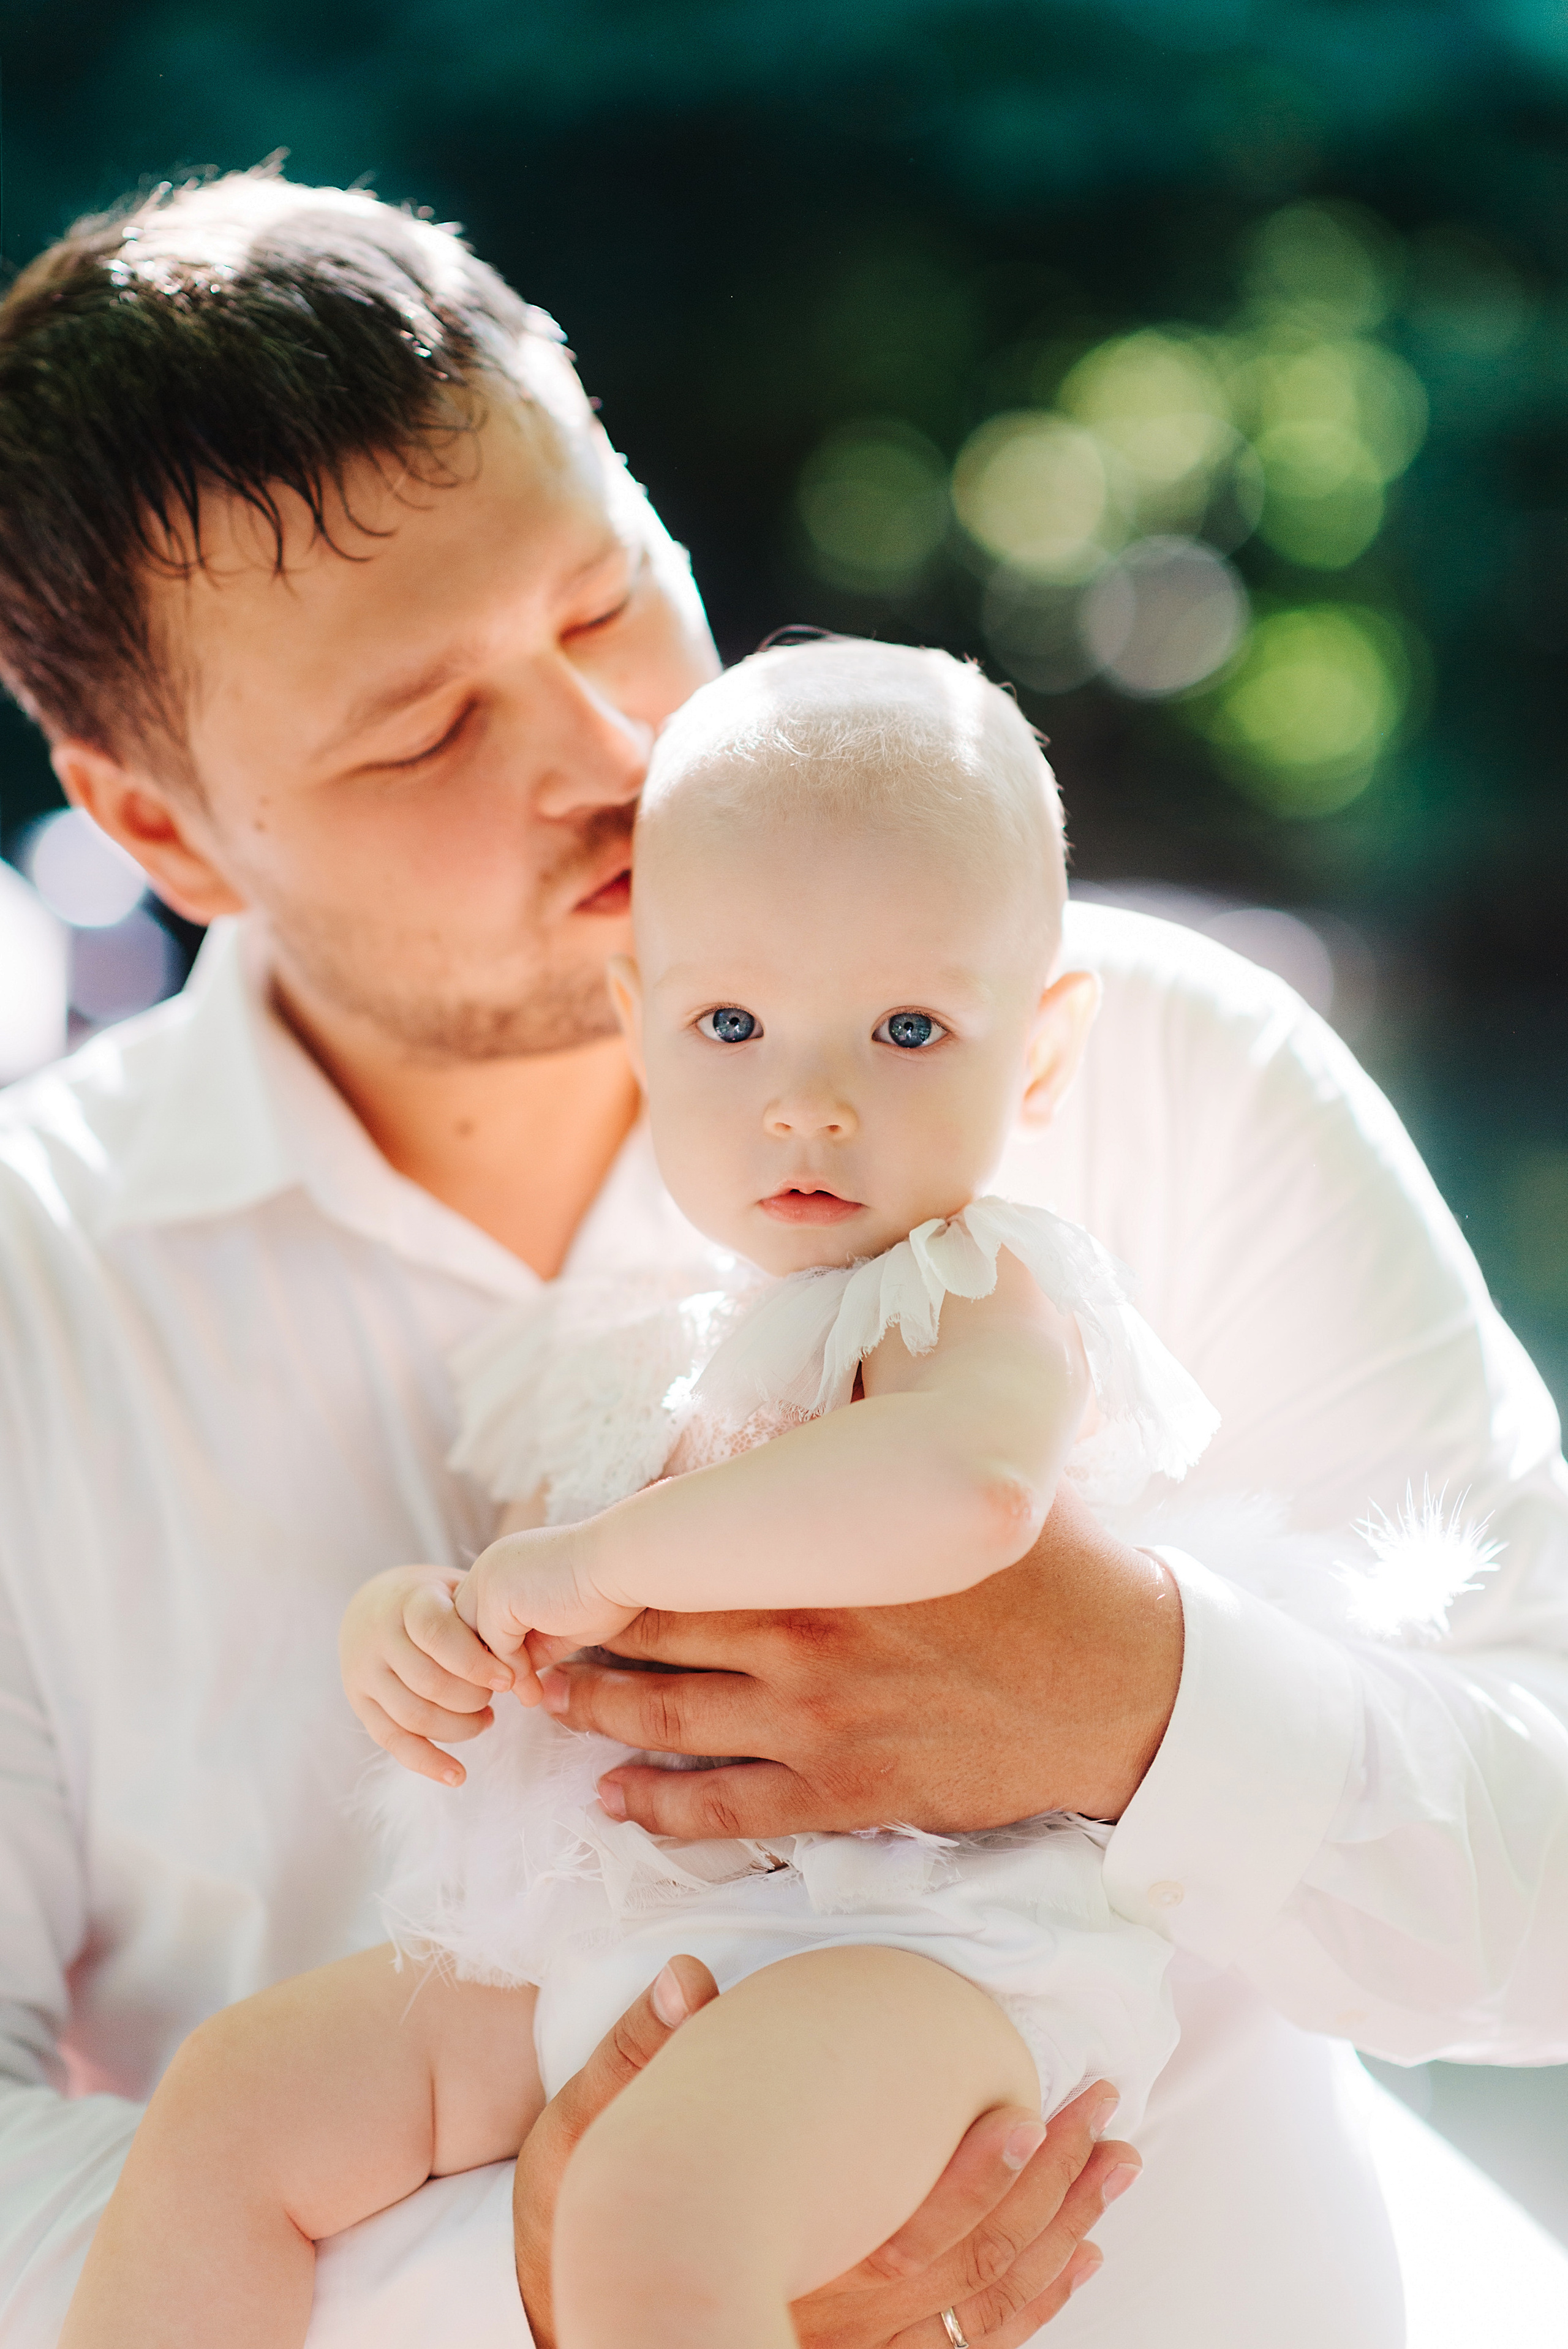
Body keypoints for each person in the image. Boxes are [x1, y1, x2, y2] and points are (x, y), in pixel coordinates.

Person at [0, 167, 1565, 2348]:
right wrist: (527, 2289)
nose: (612, 758)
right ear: (159, 830)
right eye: (428, 729)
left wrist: (1143, 1699)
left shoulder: (1152, 1074)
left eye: (605, 601)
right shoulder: (34, 1300)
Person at [61, 638, 1238, 2348]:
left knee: (655, 2218)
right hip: (625, 1928)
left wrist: (608, 1555)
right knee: (241, 2095)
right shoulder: (638, 1354)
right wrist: (425, 1632)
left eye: (911, 1026)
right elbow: (543, 1635)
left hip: (918, 1954)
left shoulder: (974, 1288)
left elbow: (967, 1489)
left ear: (1039, 1052)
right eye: (732, 1022)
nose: (812, 1097)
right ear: (641, 1022)